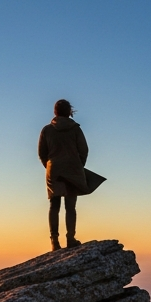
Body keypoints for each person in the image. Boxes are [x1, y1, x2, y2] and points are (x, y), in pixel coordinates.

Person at [38, 99, 88, 251]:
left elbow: (42, 153)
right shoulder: (75, 129)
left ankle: (54, 242)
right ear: (69, 112)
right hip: (73, 169)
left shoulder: (47, 130)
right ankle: (71, 238)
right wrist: (79, 166)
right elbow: (84, 150)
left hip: (53, 170)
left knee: (54, 205)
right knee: (70, 207)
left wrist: (49, 166)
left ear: (55, 112)